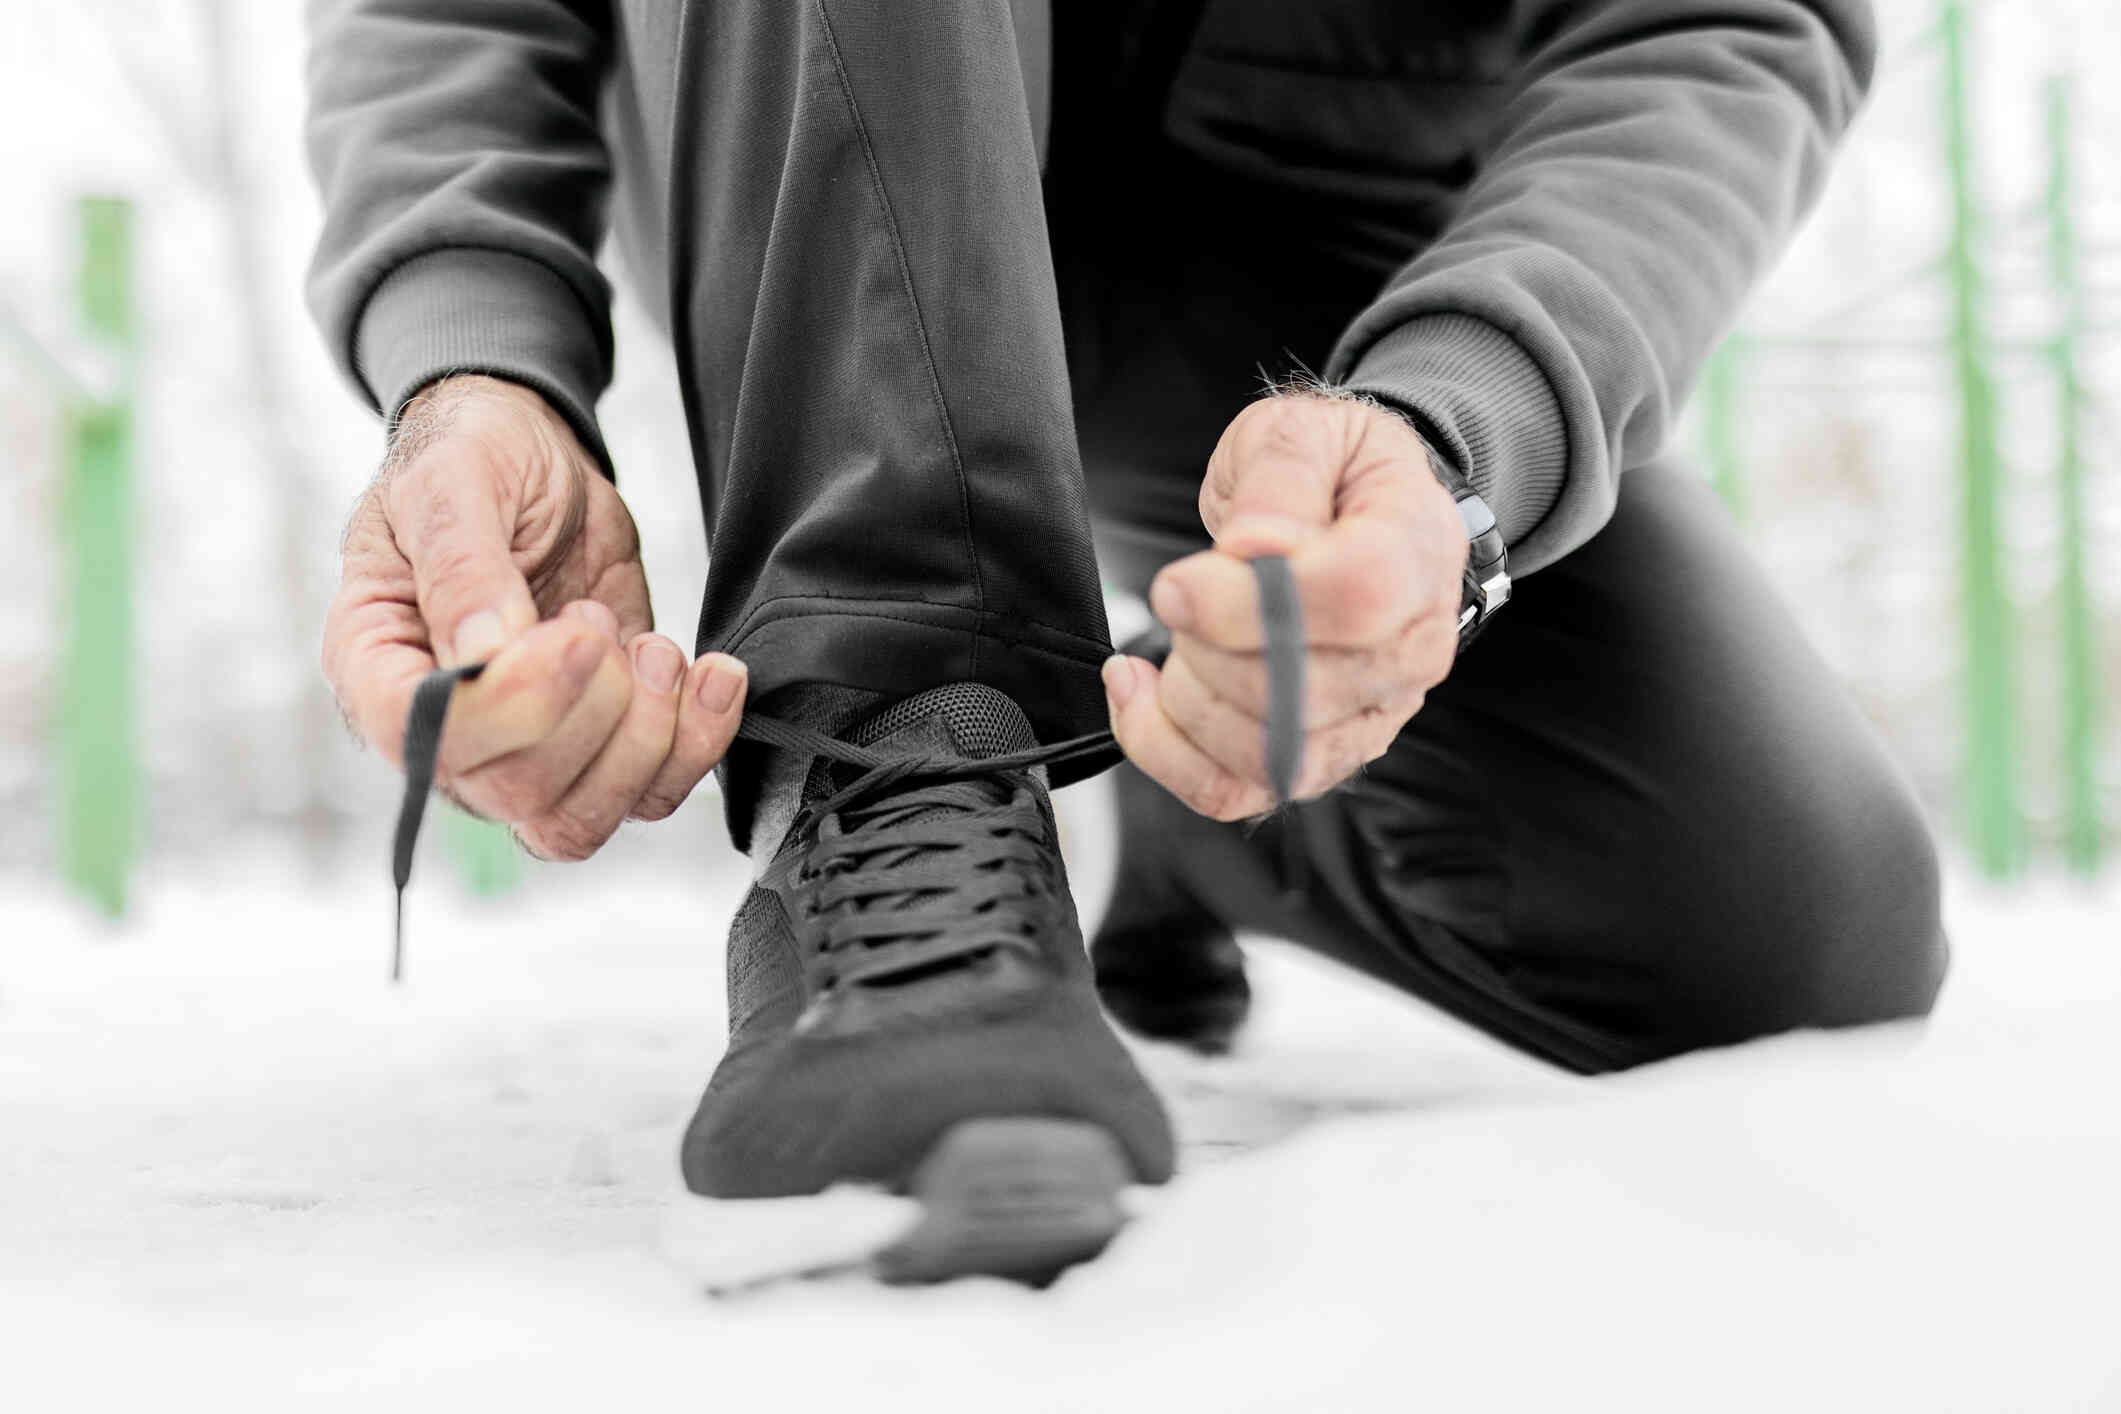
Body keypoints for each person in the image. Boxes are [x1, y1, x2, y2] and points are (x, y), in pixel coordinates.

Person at [307, 0, 1946, 1282]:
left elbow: (1718, 25)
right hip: (818, 126)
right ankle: (903, 772)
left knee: (1792, 928)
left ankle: (1207, 823)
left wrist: (1463, 418)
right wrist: (472, 355)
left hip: (1318, 261)